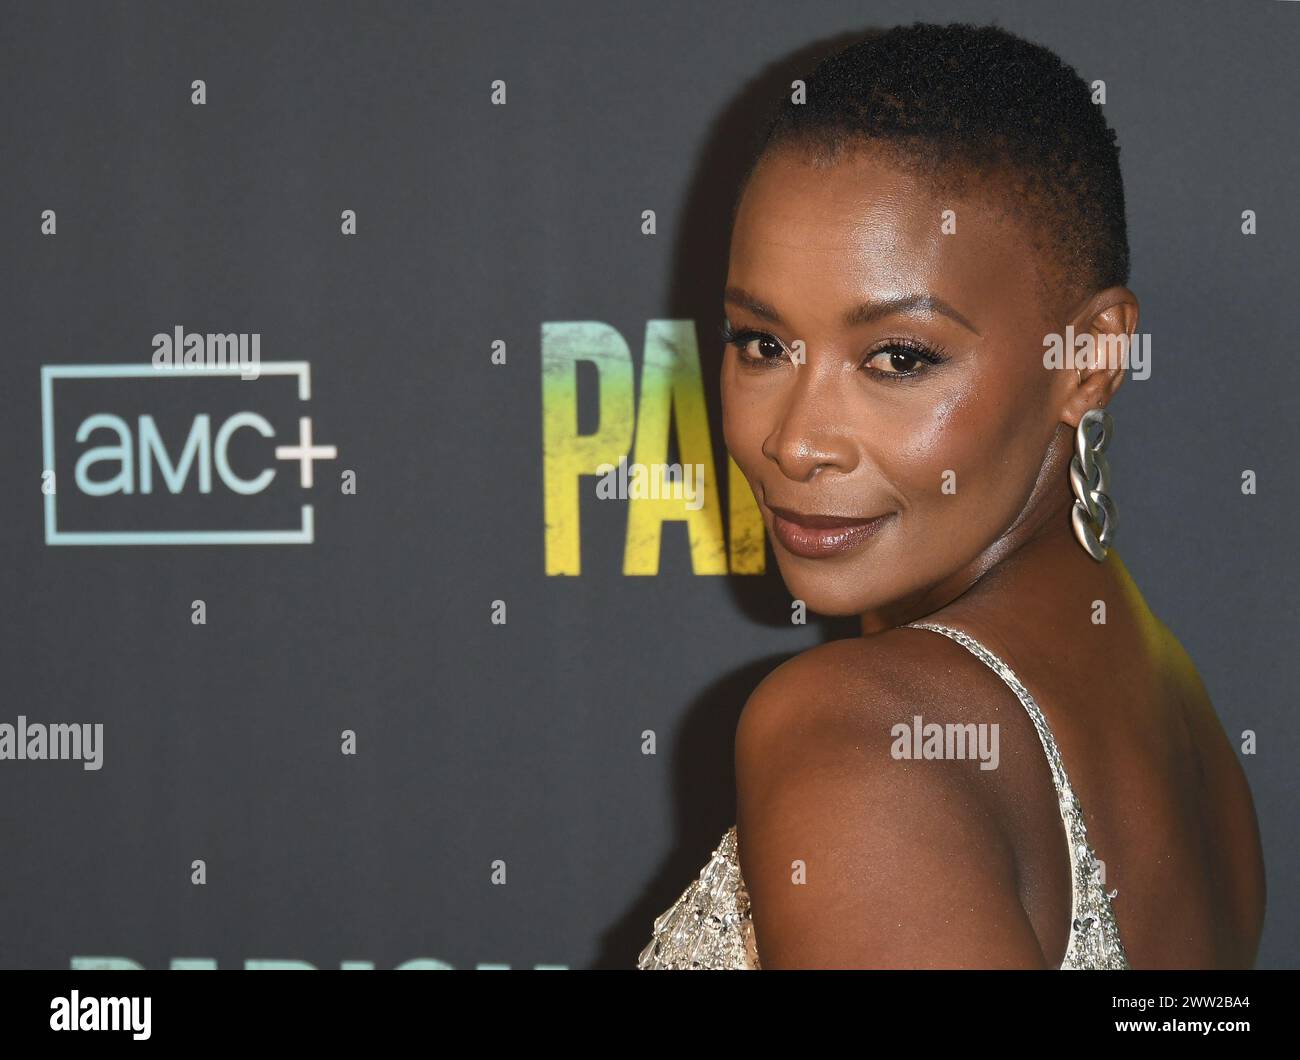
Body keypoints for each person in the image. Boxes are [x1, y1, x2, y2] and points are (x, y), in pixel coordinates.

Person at [637, 21, 1265, 969]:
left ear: (1088, 359)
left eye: (898, 357)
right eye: (760, 343)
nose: (794, 441)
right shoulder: (1161, 688)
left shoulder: (863, 732)